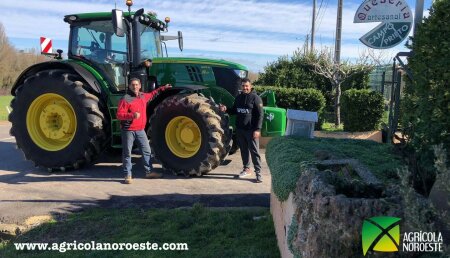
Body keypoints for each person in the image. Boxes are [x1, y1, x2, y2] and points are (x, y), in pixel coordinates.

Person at [116, 78, 171, 184]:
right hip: (128, 130)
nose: (135, 87)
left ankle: (149, 172)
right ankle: (127, 175)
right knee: (127, 153)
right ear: (129, 86)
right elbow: (119, 115)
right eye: (132, 85)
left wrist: (164, 88)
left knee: (147, 151)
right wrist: (132, 115)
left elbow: (153, 94)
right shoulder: (126, 99)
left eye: (136, 85)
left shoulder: (142, 96)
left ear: (140, 86)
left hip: (140, 130)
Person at [219, 78, 264, 183]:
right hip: (240, 130)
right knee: (243, 150)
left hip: (251, 130)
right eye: (243, 86)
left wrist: (257, 129)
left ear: (250, 86)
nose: (245, 88)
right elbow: (234, 110)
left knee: (254, 152)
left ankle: (258, 173)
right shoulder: (238, 98)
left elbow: (260, 115)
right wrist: (226, 109)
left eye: (247, 86)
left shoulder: (256, 98)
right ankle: (246, 169)